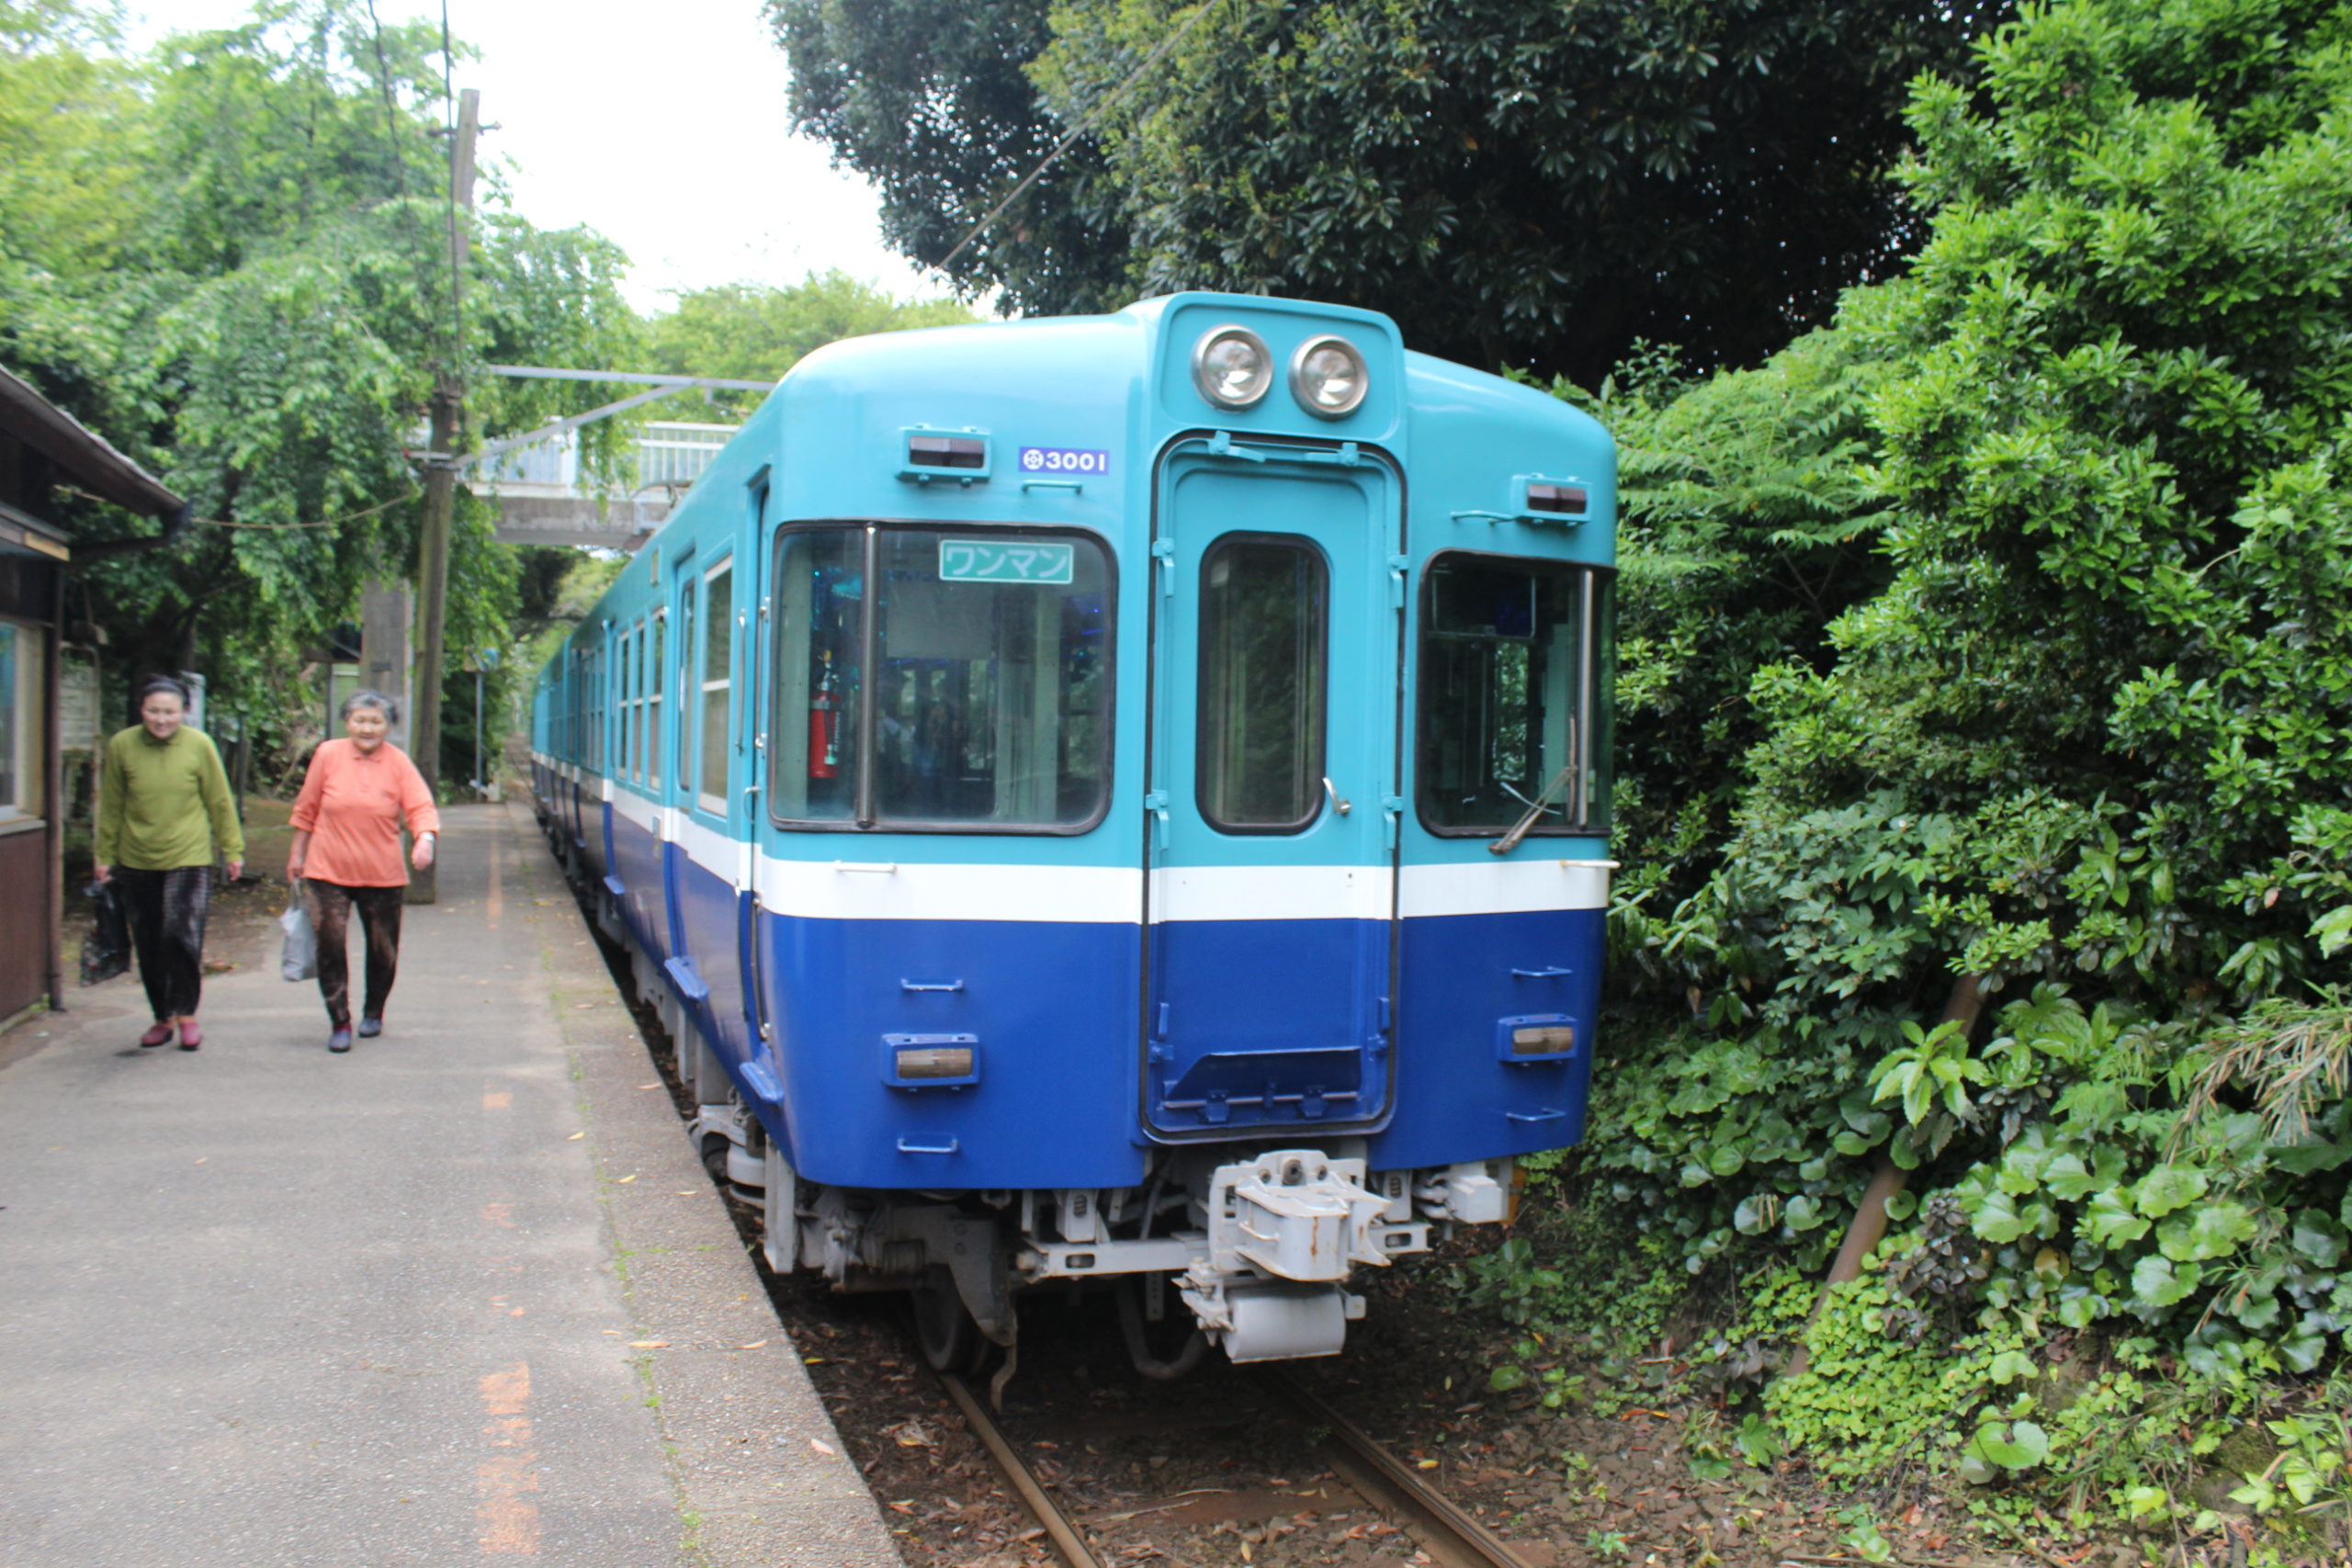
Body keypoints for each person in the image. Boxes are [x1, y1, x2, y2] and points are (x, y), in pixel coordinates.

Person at [95, 676, 244, 1051]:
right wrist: (103, 855)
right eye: (154, 711)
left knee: (181, 934)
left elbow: (219, 800)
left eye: (170, 712)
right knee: (148, 939)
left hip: (189, 855)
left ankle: (187, 1014)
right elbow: (111, 804)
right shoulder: (123, 745)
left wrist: (233, 849)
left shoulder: (199, 745)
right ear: (142, 710)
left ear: (184, 712)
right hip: (137, 856)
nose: (162, 720)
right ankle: (162, 1016)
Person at [286, 690, 439, 1054]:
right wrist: (297, 853)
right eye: (360, 720)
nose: (367, 727)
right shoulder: (327, 754)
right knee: (330, 944)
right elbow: (306, 807)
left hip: (382, 872)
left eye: (375, 721)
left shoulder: (398, 763)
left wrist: (425, 840)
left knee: (383, 949)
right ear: (347, 722)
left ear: (388, 726)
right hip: (327, 869)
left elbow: (421, 807)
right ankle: (339, 1019)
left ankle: (374, 1011)